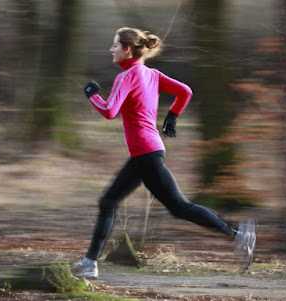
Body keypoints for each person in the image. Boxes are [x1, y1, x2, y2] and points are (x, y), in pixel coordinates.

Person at [72, 27, 256, 279]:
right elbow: (185, 92)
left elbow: (109, 111)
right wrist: (172, 117)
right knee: (111, 202)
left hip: (146, 154)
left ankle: (238, 235)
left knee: (178, 206)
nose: (110, 49)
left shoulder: (125, 77)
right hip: (147, 152)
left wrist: (92, 95)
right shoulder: (152, 74)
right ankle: (89, 262)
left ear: (127, 49)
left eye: (115, 45)